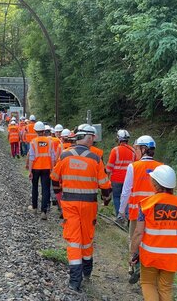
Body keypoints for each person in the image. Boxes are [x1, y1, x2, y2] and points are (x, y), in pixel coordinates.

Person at [50, 124, 112, 292]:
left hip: (69, 204)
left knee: (74, 240)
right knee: (87, 238)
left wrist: (59, 196)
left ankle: (74, 281)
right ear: (89, 137)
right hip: (89, 205)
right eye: (93, 137)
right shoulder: (95, 158)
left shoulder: (65, 156)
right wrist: (106, 199)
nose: (93, 140)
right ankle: (87, 271)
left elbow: (55, 179)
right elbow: (105, 185)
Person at [130, 165, 177, 301]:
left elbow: (138, 233)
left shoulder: (147, 204)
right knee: (165, 287)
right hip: (172, 257)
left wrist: (133, 253)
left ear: (155, 184)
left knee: (148, 283)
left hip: (150, 255)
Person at [118, 135, 163, 283]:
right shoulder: (161, 167)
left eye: (136, 148)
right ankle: (151, 269)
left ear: (143, 149)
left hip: (137, 212)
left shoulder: (134, 166)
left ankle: (134, 267)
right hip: (156, 213)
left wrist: (121, 211)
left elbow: (126, 191)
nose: (135, 151)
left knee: (135, 239)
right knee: (151, 241)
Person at [27, 121, 55, 220]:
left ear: (35, 131)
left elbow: (31, 157)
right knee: (45, 189)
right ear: (44, 131)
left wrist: (30, 171)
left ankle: (34, 207)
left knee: (35, 187)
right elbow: (53, 157)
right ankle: (44, 211)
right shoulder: (50, 142)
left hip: (35, 168)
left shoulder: (33, 142)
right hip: (47, 168)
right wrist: (52, 169)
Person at [106, 129, 137, 217]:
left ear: (118, 139)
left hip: (116, 179)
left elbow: (109, 168)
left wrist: (107, 180)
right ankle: (127, 215)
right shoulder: (133, 151)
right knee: (126, 197)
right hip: (129, 179)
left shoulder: (115, 150)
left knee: (116, 197)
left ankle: (119, 216)